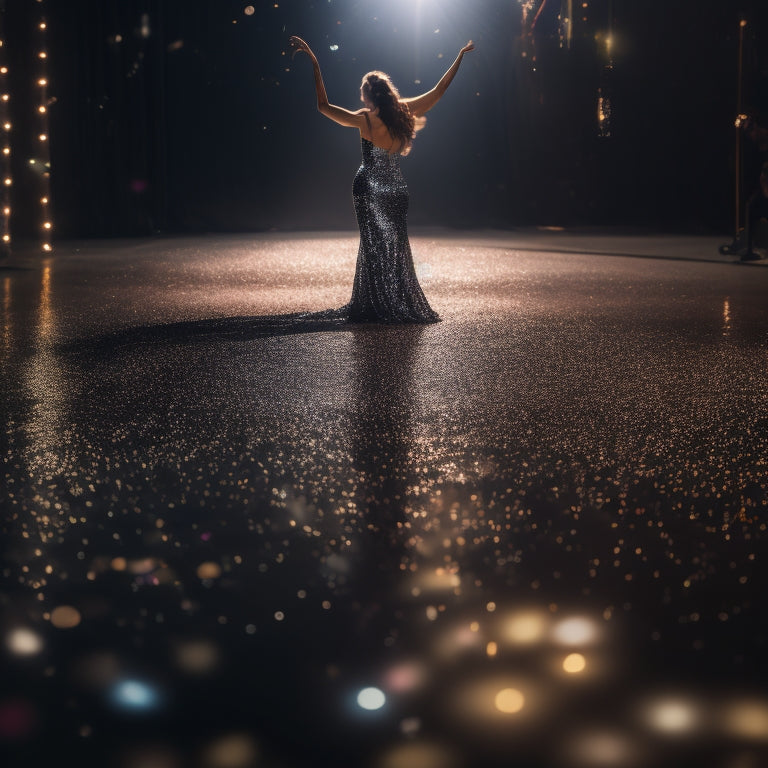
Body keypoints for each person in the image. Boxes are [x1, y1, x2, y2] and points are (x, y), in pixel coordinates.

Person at [289, 35, 475, 322]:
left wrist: (314, 62)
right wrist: (460, 55)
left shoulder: (364, 119)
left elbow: (323, 107)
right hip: (397, 190)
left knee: (373, 245)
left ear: (368, 95)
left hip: (368, 189)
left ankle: (374, 304)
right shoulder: (405, 110)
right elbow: (440, 90)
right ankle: (395, 302)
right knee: (396, 244)